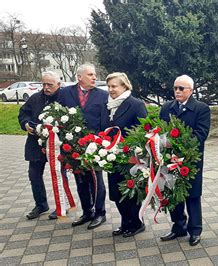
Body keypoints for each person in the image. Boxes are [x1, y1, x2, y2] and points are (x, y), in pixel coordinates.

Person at [159, 75, 211, 246]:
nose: (178, 91)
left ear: (190, 90)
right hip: (169, 159)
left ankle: (195, 230)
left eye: (182, 88)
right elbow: (160, 131)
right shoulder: (167, 107)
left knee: (192, 195)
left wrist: (179, 147)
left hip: (190, 161)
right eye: (175, 88)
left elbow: (200, 135)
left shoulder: (201, 108)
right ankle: (178, 226)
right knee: (173, 192)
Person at [58, 63, 108, 229]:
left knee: (96, 180)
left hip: (94, 145)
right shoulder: (65, 93)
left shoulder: (102, 95)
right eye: (90, 75)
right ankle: (87, 211)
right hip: (73, 146)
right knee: (80, 180)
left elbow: (104, 121)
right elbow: (58, 114)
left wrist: (101, 142)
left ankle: (100, 213)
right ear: (79, 77)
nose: (94, 77)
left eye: (94, 75)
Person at [100, 72, 147, 237]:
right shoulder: (107, 105)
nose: (111, 90)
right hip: (111, 158)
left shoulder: (136, 104)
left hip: (130, 158)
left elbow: (143, 131)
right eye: (109, 86)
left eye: (114, 86)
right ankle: (125, 222)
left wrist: (127, 146)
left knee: (130, 193)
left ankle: (136, 223)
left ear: (125, 86)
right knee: (116, 193)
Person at [18, 71, 61, 220]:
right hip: (35, 143)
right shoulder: (35, 98)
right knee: (34, 175)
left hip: (57, 144)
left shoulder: (64, 98)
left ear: (58, 85)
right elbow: (23, 113)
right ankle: (41, 204)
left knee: (60, 176)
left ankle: (62, 205)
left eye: (50, 84)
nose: (46, 87)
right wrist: (25, 124)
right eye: (44, 84)